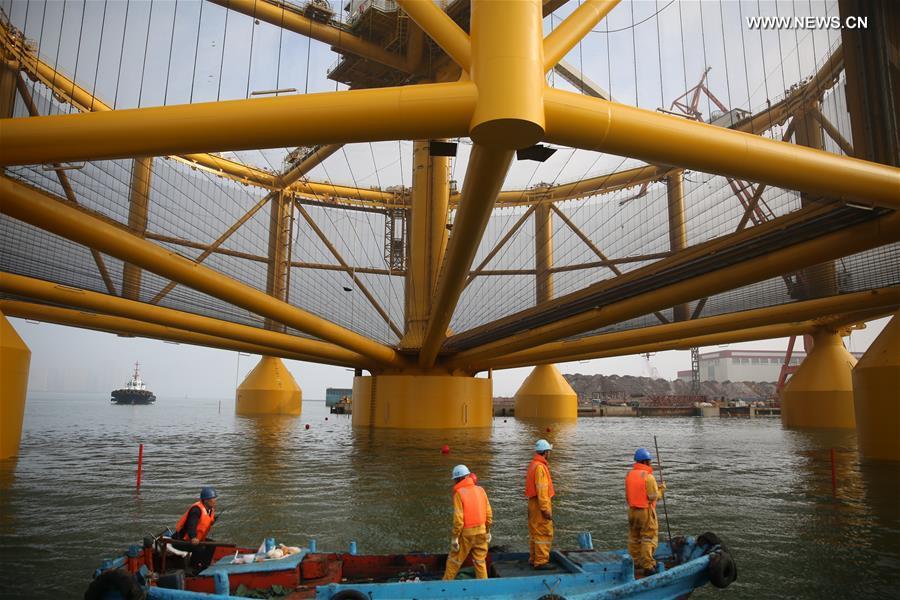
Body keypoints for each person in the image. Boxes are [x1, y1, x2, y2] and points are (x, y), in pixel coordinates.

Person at [443, 464, 493, 580]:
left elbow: (458, 520)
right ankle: (484, 587)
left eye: (455, 480)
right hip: (481, 531)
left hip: (466, 534)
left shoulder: (459, 494)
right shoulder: (481, 490)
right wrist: (488, 531)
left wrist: (455, 538)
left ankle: (444, 586)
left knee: (454, 561)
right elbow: (489, 514)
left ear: (458, 479)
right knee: (480, 562)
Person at [625, 448, 666, 576]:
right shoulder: (649, 478)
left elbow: (630, 494)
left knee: (635, 538)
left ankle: (635, 563)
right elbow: (653, 497)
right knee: (648, 537)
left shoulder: (629, 475)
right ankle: (648, 566)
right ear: (646, 461)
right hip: (645, 512)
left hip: (632, 511)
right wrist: (661, 489)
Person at [525, 439, 555, 569]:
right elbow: (542, 490)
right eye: (549, 451)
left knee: (535, 532)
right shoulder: (540, 468)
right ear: (546, 452)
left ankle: (534, 558)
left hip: (533, 503)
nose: (550, 453)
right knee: (543, 532)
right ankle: (541, 561)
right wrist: (545, 509)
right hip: (539, 505)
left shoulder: (533, 465)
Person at [173, 486, 219, 571]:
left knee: (212, 544)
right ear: (206, 500)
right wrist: (193, 537)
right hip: (182, 540)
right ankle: (193, 569)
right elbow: (191, 525)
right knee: (199, 548)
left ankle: (205, 566)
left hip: (197, 539)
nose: (215, 501)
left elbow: (204, 522)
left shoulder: (210, 510)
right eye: (212, 499)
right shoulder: (196, 510)